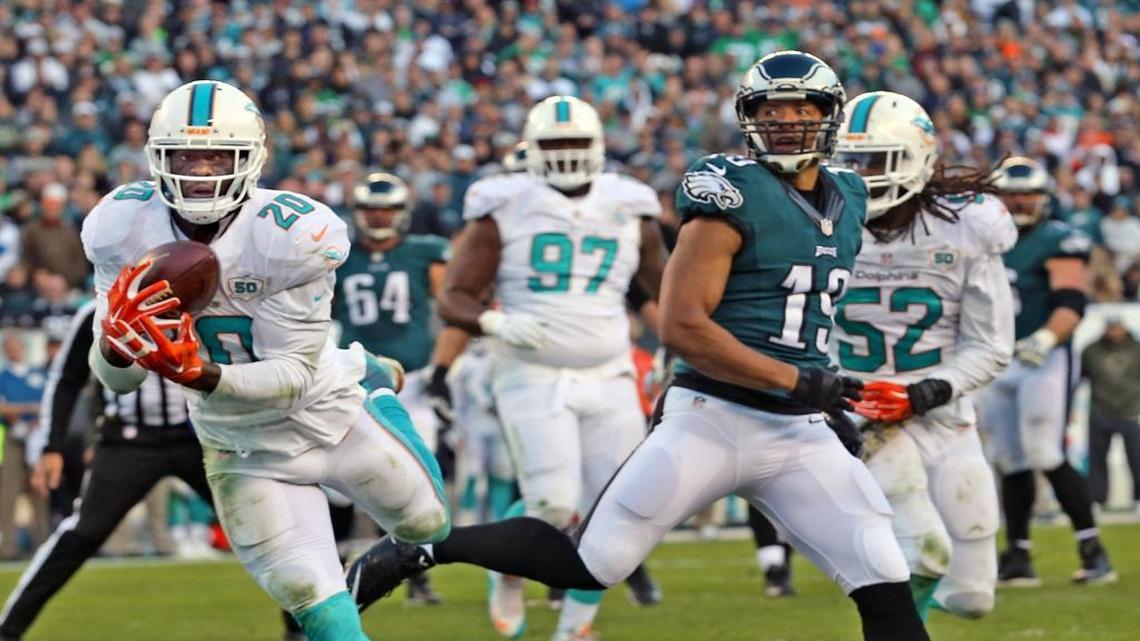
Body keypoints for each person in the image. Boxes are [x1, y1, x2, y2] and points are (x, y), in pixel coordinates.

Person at [347, 51, 932, 641]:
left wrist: (814, 389)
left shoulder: (852, 194)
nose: (784, 121)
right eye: (769, 109)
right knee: (591, 563)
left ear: (829, 116)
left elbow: (861, 265)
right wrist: (799, 381)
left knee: (884, 579)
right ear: (747, 117)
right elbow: (683, 327)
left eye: (801, 109)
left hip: (801, 429)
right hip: (715, 418)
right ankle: (423, 549)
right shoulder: (732, 192)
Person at [81, 80, 448, 641]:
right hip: (240, 443)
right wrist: (115, 341)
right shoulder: (121, 226)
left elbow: (295, 379)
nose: (200, 171)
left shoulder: (294, 234)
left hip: (330, 412)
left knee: (428, 524)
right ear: (158, 158)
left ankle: (368, 375)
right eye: (186, 155)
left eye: (215, 156)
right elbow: (117, 380)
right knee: (314, 605)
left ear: (249, 159)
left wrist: (199, 373)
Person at [426, 94, 668, 641]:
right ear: (531, 151)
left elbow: (666, 289)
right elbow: (454, 296)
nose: (565, 156)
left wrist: (674, 346)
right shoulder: (504, 204)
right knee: (552, 503)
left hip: (609, 370)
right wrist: (493, 323)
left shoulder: (630, 204)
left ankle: (574, 628)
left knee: (618, 511)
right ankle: (507, 570)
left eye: (575, 144)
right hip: (533, 370)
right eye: (554, 145)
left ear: (599, 147)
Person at [829, 91, 1015, 618]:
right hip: (865, 413)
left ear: (917, 157)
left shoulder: (967, 224)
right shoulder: (823, 223)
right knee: (925, 554)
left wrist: (927, 391)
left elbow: (991, 346)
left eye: (878, 160)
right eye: (854, 160)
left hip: (942, 407)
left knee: (973, 598)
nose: (863, 176)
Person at [332, 172, 468, 605]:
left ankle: (414, 575)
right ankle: (333, 573)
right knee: (339, 488)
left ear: (401, 213)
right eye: (371, 209)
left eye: (385, 209)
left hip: (412, 383)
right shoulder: (339, 255)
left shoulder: (423, 253)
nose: (377, 216)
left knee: (418, 480)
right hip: (352, 383)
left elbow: (451, 305)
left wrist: (446, 371)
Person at [979, 156, 1115, 586]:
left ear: (1044, 199)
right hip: (995, 358)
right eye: (1011, 194)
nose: (1019, 202)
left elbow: (1072, 301)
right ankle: (1018, 555)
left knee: (1045, 451)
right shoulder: (981, 239)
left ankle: (1093, 550)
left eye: (1028, 195)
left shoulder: (1058, 239)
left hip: (1043, 357)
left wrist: (1046, 338)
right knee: (1009, 458)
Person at [1079, 316, 1140, 511]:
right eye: (1110, 328)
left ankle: (1138, 499)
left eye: (1117, 328)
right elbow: (1081, 377)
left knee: (1137, 459)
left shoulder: (1137, 349)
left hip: (1130, 412)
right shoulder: (1091, 350)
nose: (1113, 332)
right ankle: (1098, 500)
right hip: (1100, 411)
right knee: (1097, 461)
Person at [0, 332, 50, 560]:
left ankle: (42, 543)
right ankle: (8, 546)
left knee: (39, 490)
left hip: (37, 437)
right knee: (8, 494)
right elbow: (4, 410)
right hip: (13, 437)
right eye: (9, 346)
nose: (14, 349)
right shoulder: (3, 377)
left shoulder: (38, 374)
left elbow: (47, 404)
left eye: (17, 345)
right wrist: (27, 411)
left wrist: (23, 410)